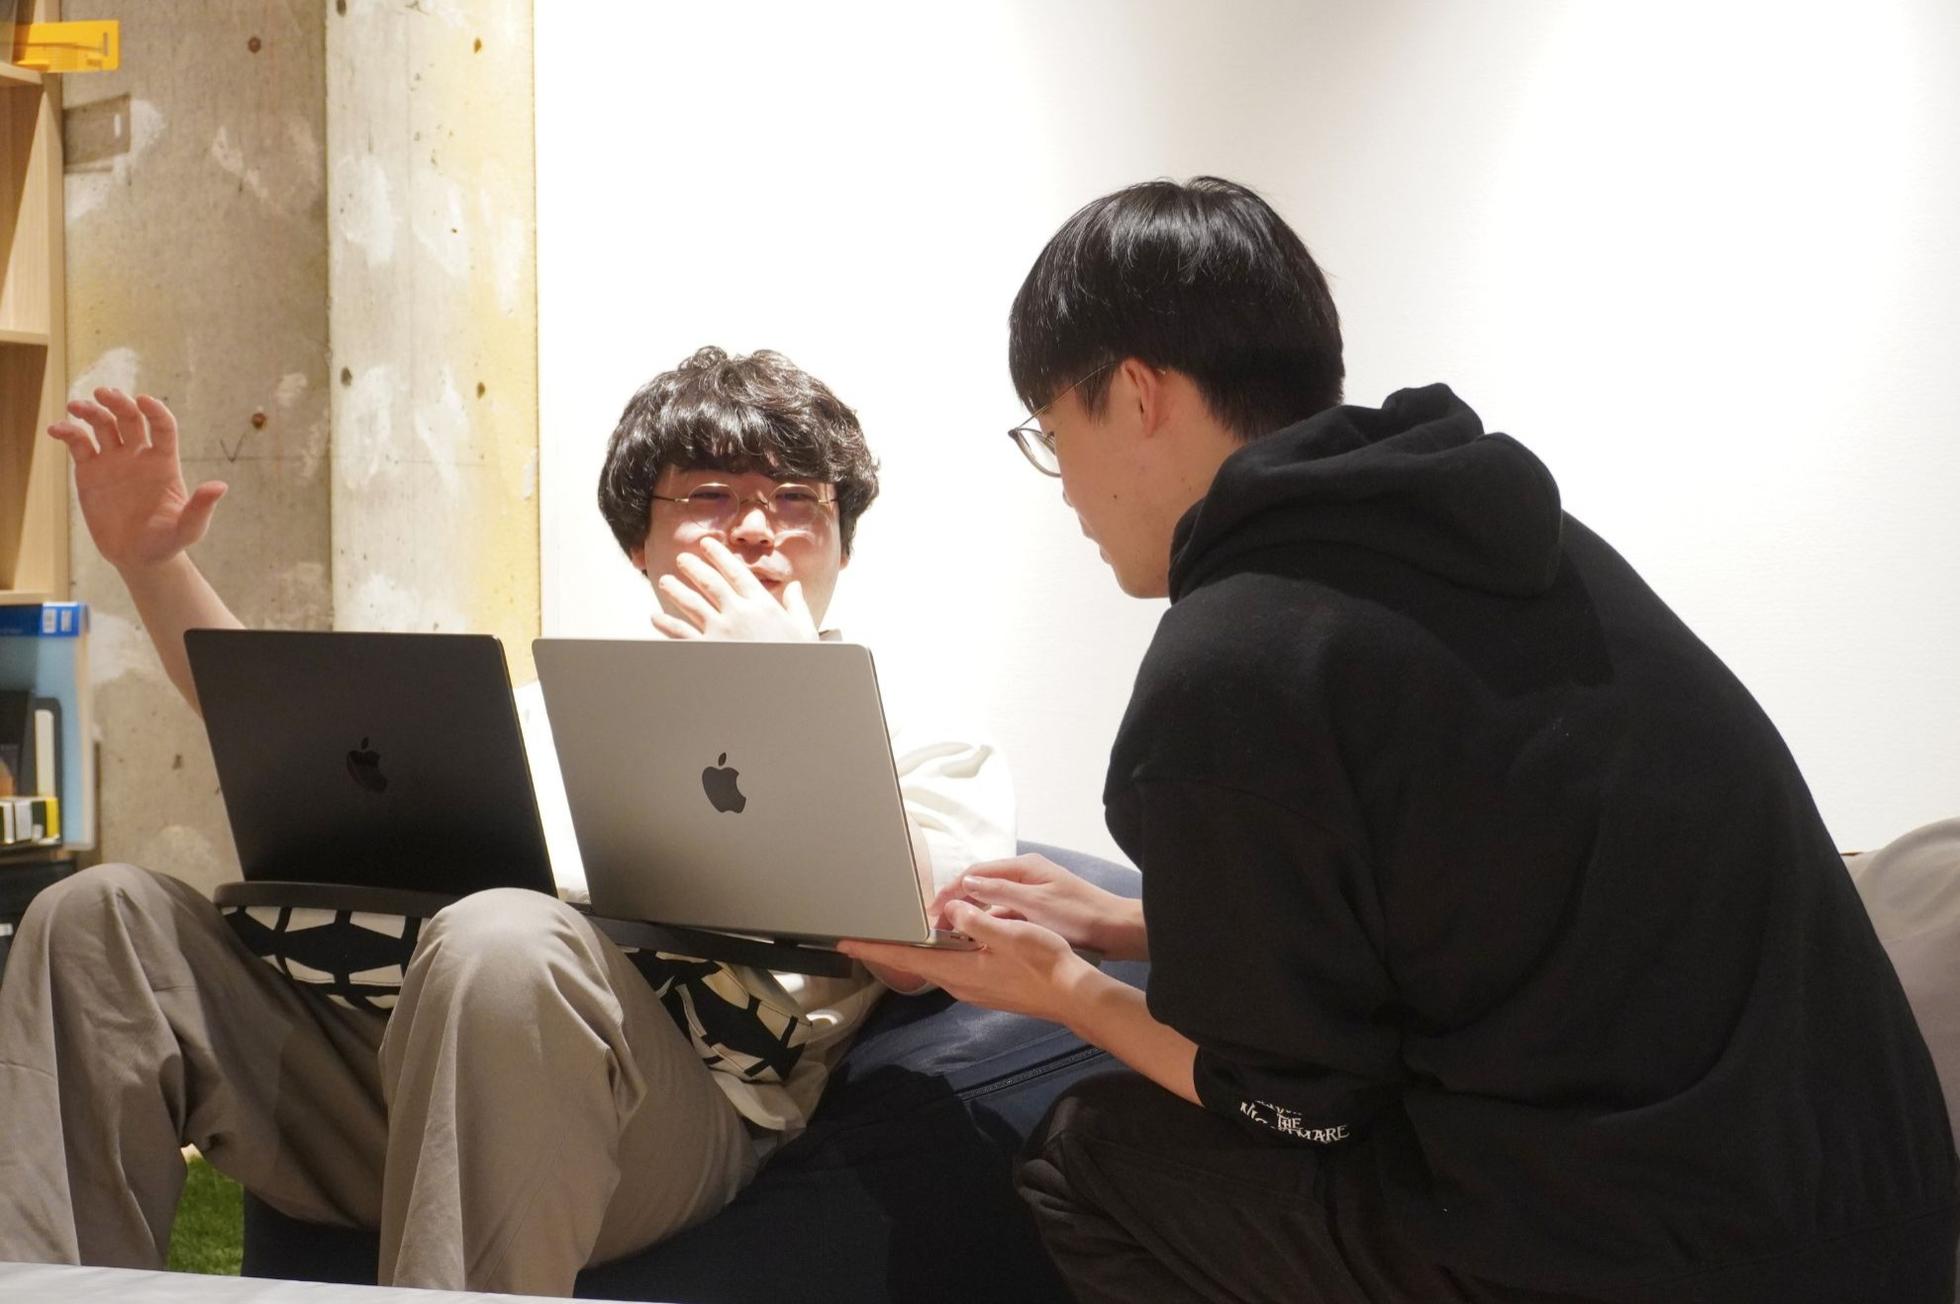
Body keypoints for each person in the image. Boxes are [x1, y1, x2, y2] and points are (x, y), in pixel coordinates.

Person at [843, 177, 1958, 1303]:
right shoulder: (1517, 545)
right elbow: (1469, 907)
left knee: (1087, 1157)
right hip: (1892, 1226)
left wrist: (1069, 989)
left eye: (1051, 434)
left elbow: (1299, 1104)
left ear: (1135, 394)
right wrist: (1137, 923)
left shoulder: (1234, 657)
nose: (1067, 491)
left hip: (1652, 1261)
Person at [0, 346, 1014, 1294]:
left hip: (662, 1121)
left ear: (841, 541)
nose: (758, 527)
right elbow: (274, 731)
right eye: (712, 495)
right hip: (398, 1082)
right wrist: (152, 563)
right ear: (639, 540)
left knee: (508, 936)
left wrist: (783, 690)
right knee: (98, 917)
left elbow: (930, 936)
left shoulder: (918, 731)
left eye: (798, 501)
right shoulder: (536, 711)